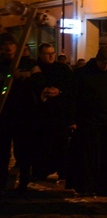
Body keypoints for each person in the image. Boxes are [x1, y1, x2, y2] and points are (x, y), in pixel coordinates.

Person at [66, 46, 107, 196]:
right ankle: (84, 185)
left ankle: (103, 185)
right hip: (86, 121)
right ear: (97, 60)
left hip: (104, 121)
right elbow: (73, 98)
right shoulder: (81, 74)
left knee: (104, 158)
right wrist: (72, 119)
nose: (106, 67)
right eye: (104, 63)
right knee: (86, 157)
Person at [0, 33, 41, 196]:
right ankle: (2, 183)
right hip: (4, 114)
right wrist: (8, 78)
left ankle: (24, 182)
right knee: (2, 151)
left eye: (12, 44)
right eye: (5, 44)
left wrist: (24, 77)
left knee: (23, 150)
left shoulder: (29, 64)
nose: (9, 48)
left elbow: (39, 82)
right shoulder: (1, 65)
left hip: (23, 114)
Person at [33, 43, 74, 182]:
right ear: (40, 55)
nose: (50, 56)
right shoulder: (36, 69)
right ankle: (41, 171)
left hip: (59, 113)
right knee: (41, 144)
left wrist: (59, 91)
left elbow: (70, 88)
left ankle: (62, 170)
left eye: (52, 53)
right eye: (47, 53)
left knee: (61, 144)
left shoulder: (62, 69)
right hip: (41, 114)